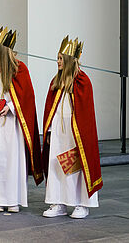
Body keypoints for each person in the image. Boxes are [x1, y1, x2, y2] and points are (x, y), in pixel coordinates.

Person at [0, 27, 44, 213]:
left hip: (12, 125)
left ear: (5, 49)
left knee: (11, 162)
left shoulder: (20, 69)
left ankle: (13, 199)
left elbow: (27, 98)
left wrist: (10, 107)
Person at [42, 36, 102, 219]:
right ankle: (58, 202)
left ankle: (82, 204)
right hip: (59, 133)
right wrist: (49, 129)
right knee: (57, 166)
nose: (58, 61)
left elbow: (85, 114)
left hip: (76, 133)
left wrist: (79, 133)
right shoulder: (57, 81)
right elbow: (52, 108)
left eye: (61, 58)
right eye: (57, 58)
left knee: (78, 167)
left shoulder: (83, 81)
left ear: (68, 60)